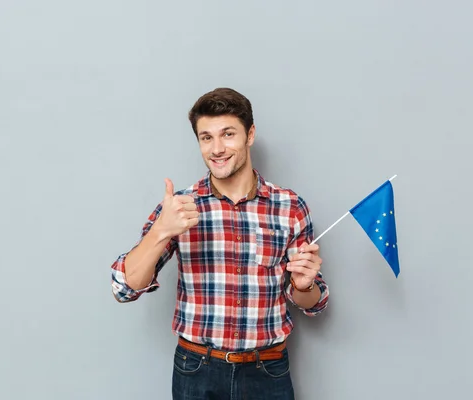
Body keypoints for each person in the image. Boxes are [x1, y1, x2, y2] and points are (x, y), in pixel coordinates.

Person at [110, 87, 329, 399]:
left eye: (228, 134)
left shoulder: (289, 206)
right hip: (197, 370)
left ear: (249, 135)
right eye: (206, 137)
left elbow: (315, 303)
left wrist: (305, 287)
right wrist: (161, 231)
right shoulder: (179, 207)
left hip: (267, 371)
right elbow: (123, 288)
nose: (217, 148)